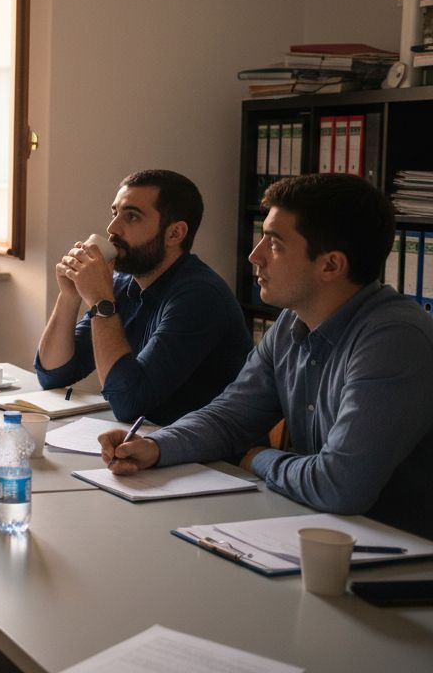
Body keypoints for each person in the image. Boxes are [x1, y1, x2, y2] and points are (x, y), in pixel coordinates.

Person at [101, 174, 433, 540]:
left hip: (398, 559)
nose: (254, 255)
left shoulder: (394, 339)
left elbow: (339, 486)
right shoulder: (294, 321)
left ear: (330, 266)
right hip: (323, 533)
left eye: (274, 243)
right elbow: (229, 418)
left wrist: (255, 457)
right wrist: (155, 446)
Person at [36, 169, 251, 425]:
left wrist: (100, 301)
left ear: (175, 234)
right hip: (151, 444)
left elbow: (127, 402)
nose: (112, 228)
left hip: (211, 459)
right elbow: (53, 374)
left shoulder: (200, 296)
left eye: (132, 217)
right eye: (115, 213)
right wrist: (69, 294)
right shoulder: (122, 285)